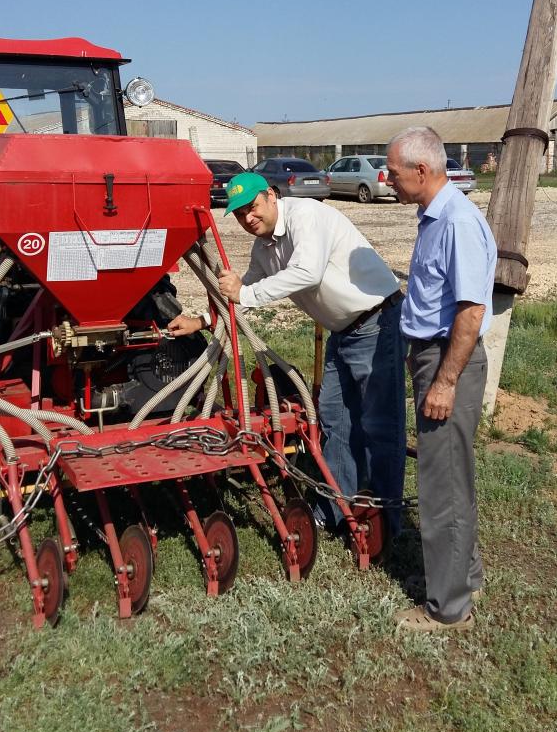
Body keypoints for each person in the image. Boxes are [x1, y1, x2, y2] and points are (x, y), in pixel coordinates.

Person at [168, 171, 406, 535]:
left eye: (253, 207)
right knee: (333, 419)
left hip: (377, 321)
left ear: (271, 195)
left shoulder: (306, 217)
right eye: (239, 214)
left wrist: (244, 294)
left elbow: (306, 273)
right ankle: (336, 511)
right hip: (343, 333)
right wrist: (201, 319)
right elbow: (243, 290)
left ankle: (386, 522)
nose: (248, 218)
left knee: (379, 423)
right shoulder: (263, 248)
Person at [386, 127, 496, 633]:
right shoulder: (432, 217)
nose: (388, 180)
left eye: (393, 172)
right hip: (433, 355)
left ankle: (448, 608)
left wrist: (446, 381)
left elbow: (470, 312)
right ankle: (462, 574)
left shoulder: (456, 222)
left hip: (449, 360)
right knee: (451, 476)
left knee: (442, 485)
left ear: (422, 172)